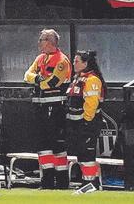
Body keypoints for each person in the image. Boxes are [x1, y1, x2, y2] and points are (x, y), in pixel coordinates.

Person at [24, 28, 71, 189]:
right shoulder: (40, 58)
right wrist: (37, 78)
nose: (39, 43)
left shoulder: (62, 60)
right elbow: (27, 75)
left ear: (50, 42)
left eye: (41, 40)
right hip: (40, 108)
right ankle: (47, 182)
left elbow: (52, 83)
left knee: (57, 145)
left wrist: (37, 80)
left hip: (56, 108)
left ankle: (63, 182)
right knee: (42, 145)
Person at [66, 50, 105, 191]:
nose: (74, 64)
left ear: (85, 63)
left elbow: (91, 104)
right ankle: (86, 185)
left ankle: (90, 185)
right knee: (81, 155)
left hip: (88, 124)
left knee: (87, 156)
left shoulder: (92, 79)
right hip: (76, 124)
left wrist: (86, 122)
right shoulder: (78, 78)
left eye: (77, 61)